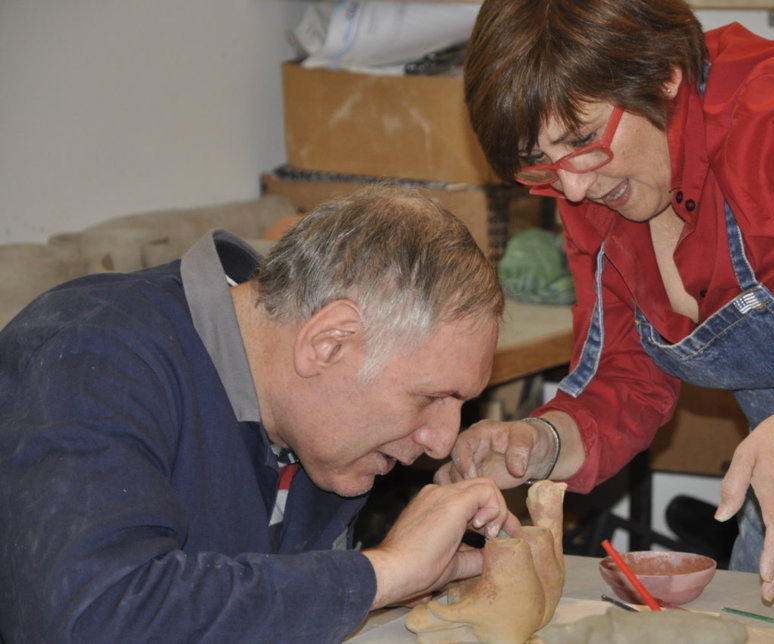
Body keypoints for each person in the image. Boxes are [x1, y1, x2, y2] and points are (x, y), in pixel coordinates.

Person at [436, 0, 774, 601]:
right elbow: (626, 373)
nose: (574, 187)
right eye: (541, 165)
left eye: (583, 140)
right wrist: (541, 443)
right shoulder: (587, 183)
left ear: (664, 75)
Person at [0, 186, 519, 643]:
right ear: (328, 343)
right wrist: (380, 574)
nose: (442, 441)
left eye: (460, 405)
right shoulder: (92, 353)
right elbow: (91, 616)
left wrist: (403, 584)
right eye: (430, 397)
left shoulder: (316, 428)